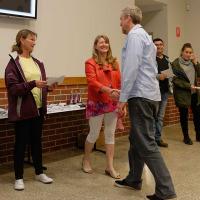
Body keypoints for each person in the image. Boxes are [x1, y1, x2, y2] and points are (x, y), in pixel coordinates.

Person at [114, 6, 176, 200]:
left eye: (121, 19)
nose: (120, 23)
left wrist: (122, 99)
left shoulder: (134, 37)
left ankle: (165, 189)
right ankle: (134, 178)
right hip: (150, 94)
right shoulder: (145, 37)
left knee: (146, 143)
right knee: (136, 138)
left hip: (140, 95)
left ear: (127, 18)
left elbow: (131, 68)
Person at [5, 29, 54, 191]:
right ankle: (19, 177)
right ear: (21, 40)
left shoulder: (37, 62)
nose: (34, 42)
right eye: (32, 39)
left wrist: (50, 87)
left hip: (38, 110)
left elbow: (41, 85)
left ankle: (39, 172)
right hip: (23, 111)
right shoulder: (13, 63)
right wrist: (33, 83)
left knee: (36, 142)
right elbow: (13, 89)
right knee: (20, 144)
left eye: (35, 39)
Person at [82, 35, 121, 179]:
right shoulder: (90, 62)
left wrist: (122, 100)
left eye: (106, 42)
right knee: (94, 133)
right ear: (96, 46)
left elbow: (120, 82)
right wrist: (107, 90)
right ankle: (86, 159)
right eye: (101, 42)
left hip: (113, 102)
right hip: (97, 102)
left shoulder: (114, 62)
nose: (104, 44)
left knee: (110, 135)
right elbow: (91, 81)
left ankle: (109, 167)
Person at [172, 43, 200, 145]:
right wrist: (188, 86)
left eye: (190, 52)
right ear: (182, 52)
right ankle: (186, 137)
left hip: (194, 94)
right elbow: (175, 80)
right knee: (184, 116)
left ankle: (198, 135)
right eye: (186, 52)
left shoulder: (193, 63)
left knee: (197, 115)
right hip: (182, 94)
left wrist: (196, 62)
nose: (188, 54)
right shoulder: (175, 64)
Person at [153, 38, 171, 148]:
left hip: (164, 92)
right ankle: (151, 139)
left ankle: (158, 138)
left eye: (160, 44)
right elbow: (148, 74)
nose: (159, 46)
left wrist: (169, 75)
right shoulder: (150, 59)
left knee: (160, 117)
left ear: (163, 46)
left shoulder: (167, 60)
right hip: (154, 93)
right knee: (153, 116)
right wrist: (158, 76)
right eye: (156, 45)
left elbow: (170, 74)